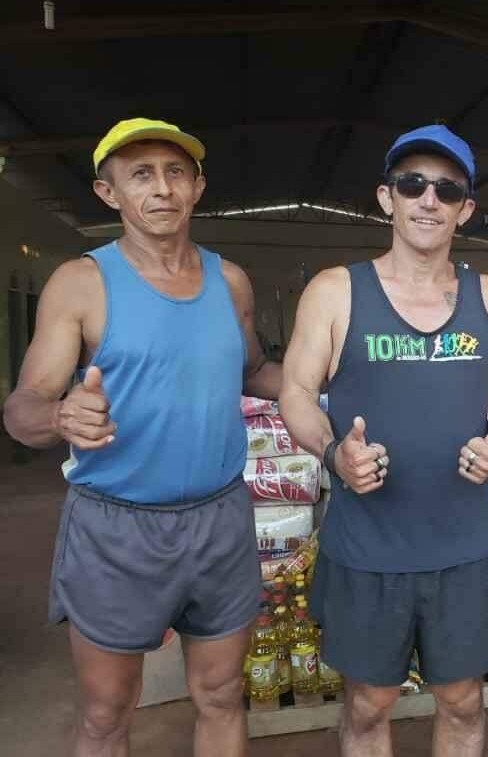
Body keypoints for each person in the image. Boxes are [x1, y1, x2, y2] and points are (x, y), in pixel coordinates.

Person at [2, 118, 281, 756]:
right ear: (109, 193)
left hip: (219, 518)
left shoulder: (229, 280)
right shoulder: (81, 282)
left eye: (175, 172)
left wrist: (341, 381)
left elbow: (255, 371)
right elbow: (24, 404)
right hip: (115, 527)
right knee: (106, 713)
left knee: (221, 694)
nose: (162, 189)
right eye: (141, 175)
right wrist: (58, 418)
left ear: (198, 187)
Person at [279, 124, 488, 757]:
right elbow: (297, 396)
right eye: (412, 184)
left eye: (447, 190)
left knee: (464, 700)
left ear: (465, 209)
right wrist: (336, 454)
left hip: (463, 545)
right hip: (368, 547)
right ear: (386, 197)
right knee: (368, 705)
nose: (428, 200)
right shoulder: (336, 290)